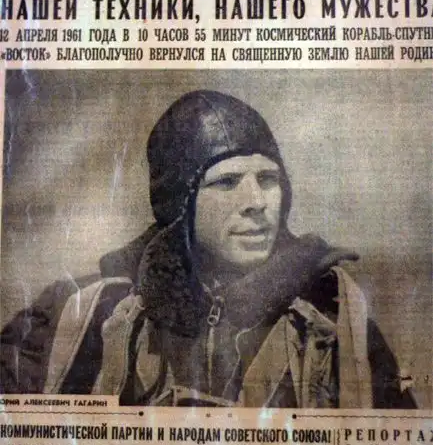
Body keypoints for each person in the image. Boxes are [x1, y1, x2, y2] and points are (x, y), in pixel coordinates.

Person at [0, 90, 416, 407]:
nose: (256, 202)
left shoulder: (331, 313)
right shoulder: (86, 311)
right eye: (227, 182)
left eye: (268, 179)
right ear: (179, 205)